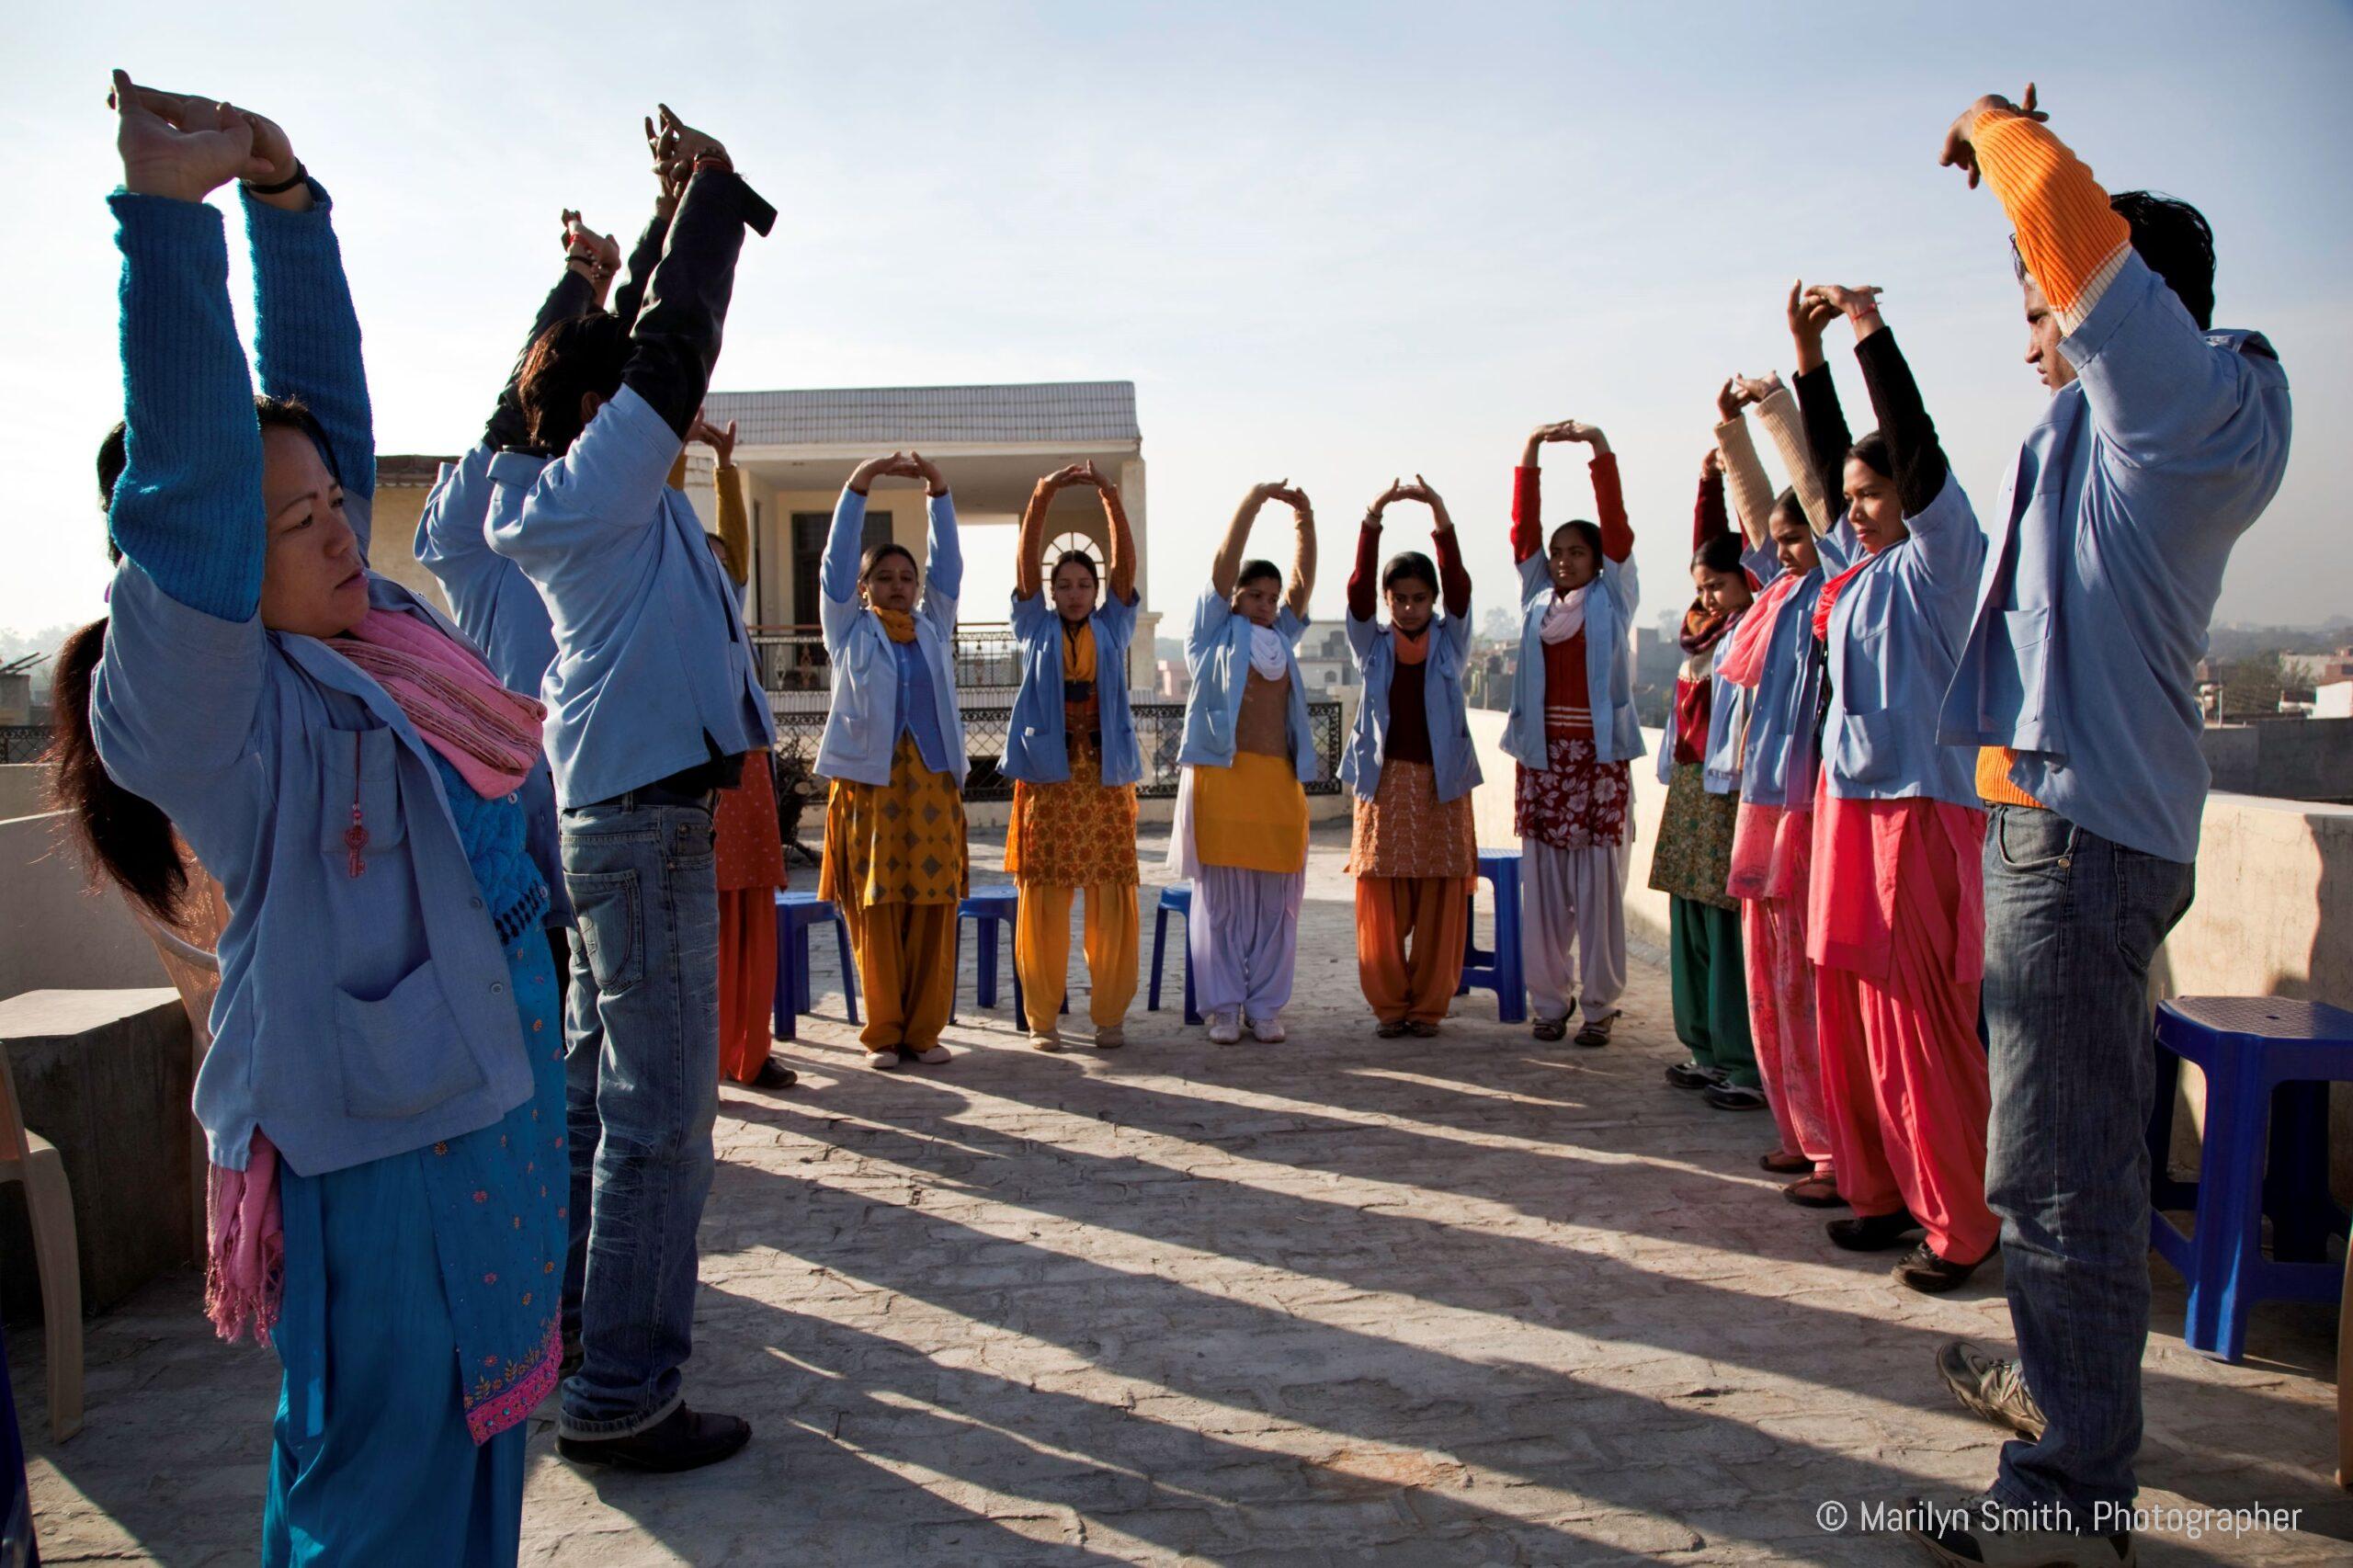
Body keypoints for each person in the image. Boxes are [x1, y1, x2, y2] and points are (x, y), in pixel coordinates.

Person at [77, 76, 564, 1561]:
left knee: (479, 1471)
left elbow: (312, 422)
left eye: (338, 507)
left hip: (490, 1128)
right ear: (221, 556)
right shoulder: (223, 716)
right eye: (293, 522)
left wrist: (290, 211)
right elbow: (204, 491)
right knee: (374, 1507)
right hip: (390, 1181)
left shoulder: (374, 640)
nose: (341, 528)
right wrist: (170, 221)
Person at [1915, 89, 2292, 1568]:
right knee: (2050, 1159)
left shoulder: (2173, 414)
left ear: (2136, 309)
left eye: (2044, 310)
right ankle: (2075, 1391)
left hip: (2079, 845)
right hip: (2064, 829)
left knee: (2060, 1169)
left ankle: (2074, 1493)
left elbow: (2082, 252)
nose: (2032, 337)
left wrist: (1996, 133)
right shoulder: (2143, 428)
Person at [490, 104, 774, 1472]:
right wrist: (712, 199)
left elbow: (600, 359)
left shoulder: (576, 487)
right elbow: (671, 344)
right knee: (664, 1124)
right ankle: (623, 1395)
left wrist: (647, 222)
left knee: (608, 1106)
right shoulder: (599, 486)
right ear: (604, 418)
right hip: (645, 826)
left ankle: (579, 1346)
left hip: (626, 818)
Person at [1788, 278, 1995, 1296]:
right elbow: (1834, 476)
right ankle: (1877, 1188)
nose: (1861, 510)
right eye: (1856, 498)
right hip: (1847, 812)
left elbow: (1906, 441)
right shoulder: (1856, 572)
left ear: (1912, 492)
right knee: (1849, 1011)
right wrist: (1806, 366)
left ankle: (1961, 1222)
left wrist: (1867, 336)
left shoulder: (1939, 564)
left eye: (1879, 495)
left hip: (1918, 812)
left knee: (1919, 1025)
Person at [1714, 371, 1843, 1204]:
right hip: (1765, 800)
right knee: (1771, 975)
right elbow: (1761, 514)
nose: (1784, 548)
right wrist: (1731, 433)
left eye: (1799, 539)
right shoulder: (1776, 597)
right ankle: (1799, 1129)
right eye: (1779, 542)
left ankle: (1838, 1146)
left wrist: (1777, 413)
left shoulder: (1834, 584)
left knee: (1811, 977)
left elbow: (1816, 507)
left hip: (1810, 804)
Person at [815, 451, 969, 1069]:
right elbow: (831, 565)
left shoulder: (934, 627)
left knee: (932, 906)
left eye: (907, 576)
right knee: (877, 907)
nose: (899, 586)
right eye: (885, 578)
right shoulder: (848, 631)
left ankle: (924, 1031)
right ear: (863, 588)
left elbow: (951, 567)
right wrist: (860, 484)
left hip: (931, 786)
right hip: (871, 787)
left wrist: (939, 491)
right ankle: (884, 1031)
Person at [1505, 420, 1643, 1047]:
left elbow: (1616, 528)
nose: (1562, 560)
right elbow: (1521, 535)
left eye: (1576, 552)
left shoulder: (1612, 598)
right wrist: (1529, 455)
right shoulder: (1537, 599)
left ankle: (1599, 1005)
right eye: (1557, 552)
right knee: (1547, 889)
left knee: (1597, 891)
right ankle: (1549, 1001)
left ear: (1598, 561)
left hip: (1598, 762)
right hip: (1543, 761)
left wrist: (1598, 451)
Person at [1168, 481, 1320, 1044]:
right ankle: (1225, 1006)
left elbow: (1304, 585)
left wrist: (1304, 518)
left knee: (1277, 901)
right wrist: (1254, 503)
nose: (1266, 603)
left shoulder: (1282, 637)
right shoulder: (1209, 636)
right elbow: (1221, 564)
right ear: (1233, 597)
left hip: (1278, 783)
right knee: (1224, 900)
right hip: (1222, 782)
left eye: (1271, 597)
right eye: (1254, 594)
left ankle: (1266, 1006)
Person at [1004, 460, 1142, 1051]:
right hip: (1049, 778)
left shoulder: (1114, 624)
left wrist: (1109, 495)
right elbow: (1024, 562)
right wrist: (1045, 494)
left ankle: (1109, 1016)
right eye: (1065, 585)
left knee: (1110, 892)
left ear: (1098, 590)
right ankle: (1044, 1020)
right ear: (1050, 590)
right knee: (1045, 895)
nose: (1075, 594)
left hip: (1104, 778)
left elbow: (1128, 567)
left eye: (1085, 585)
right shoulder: (1032, 624)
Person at [1652, 448, 1770, 1108]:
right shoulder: (1699, 636)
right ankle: (1700, 1045)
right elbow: (1708, 542)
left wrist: (1730, 471)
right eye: (1701, 586)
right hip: (1692, 792)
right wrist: (1705, 479)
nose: (1707, 597)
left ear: (1748, 581)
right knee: (1691, 920)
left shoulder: (1752, 630)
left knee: (1728, 931)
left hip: (1732, 795)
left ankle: (1742, 1058)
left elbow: (1743, 541)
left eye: (1719, 586)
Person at [1342, 476, 1481, 1038]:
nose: (1409, 606)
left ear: (1433, 600)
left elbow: (1462, 584)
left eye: (1419, 597)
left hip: (1442, 784)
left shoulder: (1452, 640)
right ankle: (1390, 1006)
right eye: (1399, 597)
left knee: (1441, 895)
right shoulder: (1370, 644)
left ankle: (1428, 1007)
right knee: (1381, 893)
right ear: (1387, 599)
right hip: (1385, 782)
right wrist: (1372, 518)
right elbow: (1354, 589)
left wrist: (1440, 515)